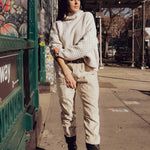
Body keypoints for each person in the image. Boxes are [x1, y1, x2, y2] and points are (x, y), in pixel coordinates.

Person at [49, 0, 100, 149]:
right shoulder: (57, 25)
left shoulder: (87, 17)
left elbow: (86, 45)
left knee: (91, 113)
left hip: (87, 70)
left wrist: (62, 53)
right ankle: (72, 146)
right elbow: (54, 48)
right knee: (67, 113)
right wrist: (66, 73)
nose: (76, 1)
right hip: (65, 70)